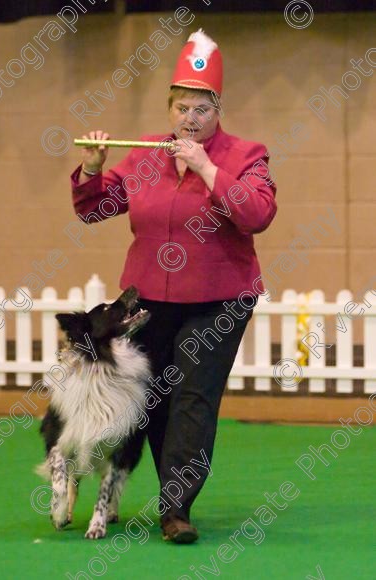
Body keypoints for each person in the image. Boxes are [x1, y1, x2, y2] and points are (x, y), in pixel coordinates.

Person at [71, 29, 277, 544]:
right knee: (151, 399)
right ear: (170, 109)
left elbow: (257, 215)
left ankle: (176, 509)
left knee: (192, 398)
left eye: (201, 109)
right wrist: (92, 171)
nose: (191, 118)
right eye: (182, 107)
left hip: (219, 301)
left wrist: (208, 169)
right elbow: (95, 210)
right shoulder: (143, 158)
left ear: (218, 109)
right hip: (147, 305)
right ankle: (143, 492)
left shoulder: (246, 155)